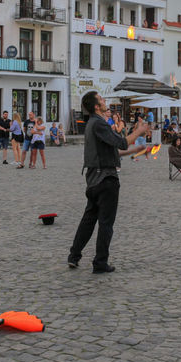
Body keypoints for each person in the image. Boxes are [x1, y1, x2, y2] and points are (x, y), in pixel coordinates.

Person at [68, 91, 148, 273]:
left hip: (94, 180)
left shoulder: (92, 124)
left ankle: (74, 255)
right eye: (102, 100)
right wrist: (139, 131)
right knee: (105, 223)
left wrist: (137, 149)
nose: (105, 102)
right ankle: (100, 262)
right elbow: (121, 143)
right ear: (96, 106)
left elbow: (114, 152)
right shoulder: (99, 124)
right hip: (106, 180)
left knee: (88, 220)